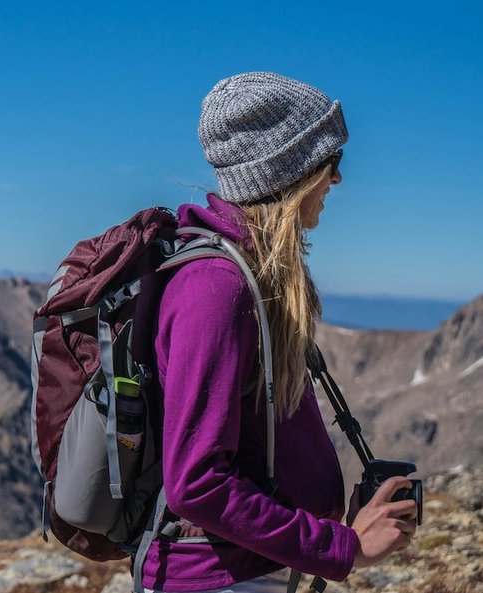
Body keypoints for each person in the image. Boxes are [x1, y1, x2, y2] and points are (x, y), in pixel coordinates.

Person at [140, 72, 419, 592]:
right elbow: (196, 484)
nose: (337, 180)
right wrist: (344, 547)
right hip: (219, 580)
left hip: (250, 572)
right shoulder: (216, 287)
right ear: (291, 172)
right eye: (330, 162)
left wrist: (327, 522)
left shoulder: (251, 277)